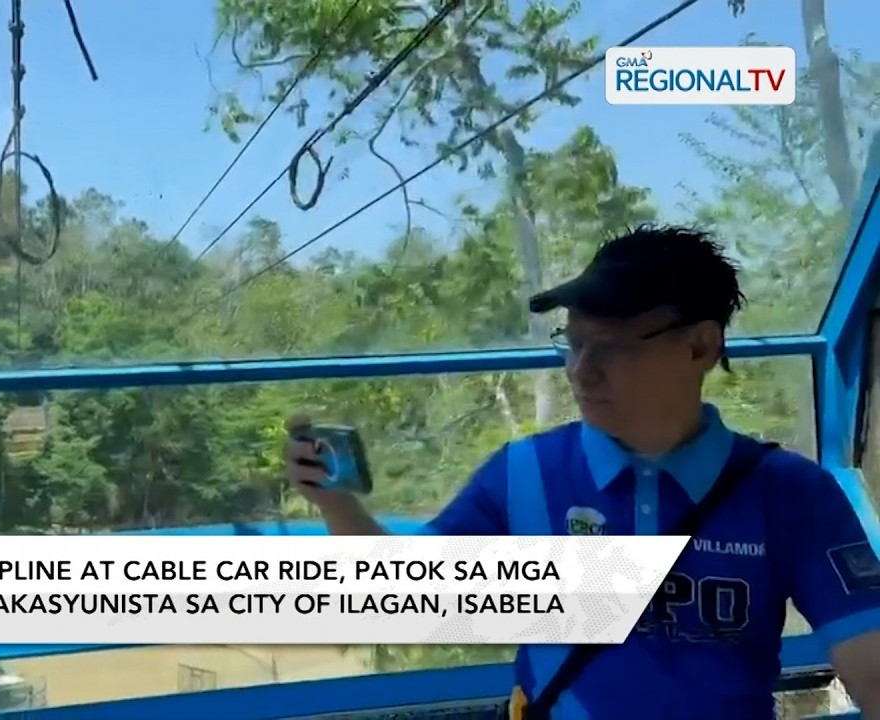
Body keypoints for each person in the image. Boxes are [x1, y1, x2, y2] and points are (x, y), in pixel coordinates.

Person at [286, 225, 880, 720]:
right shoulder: (524, 476)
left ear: (700, 347)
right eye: (571, 344)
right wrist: (338, 504)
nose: (581, 371)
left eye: (612, 346)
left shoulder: (789, 495)